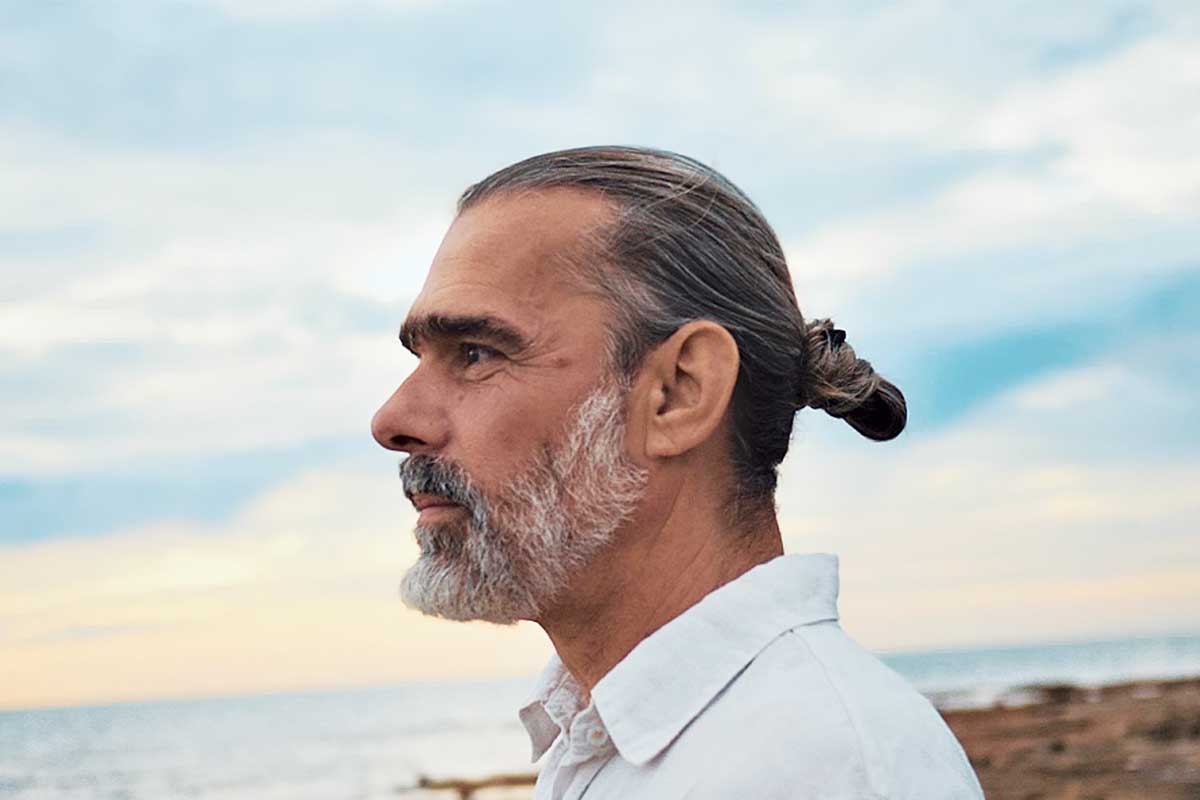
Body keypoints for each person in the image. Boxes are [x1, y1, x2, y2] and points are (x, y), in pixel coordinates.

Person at [371, 146, 984, 799]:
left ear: (679, 393)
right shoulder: (623, 739)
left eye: (475, 353)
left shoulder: (823, 769)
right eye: (420, 358)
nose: (392, 420)